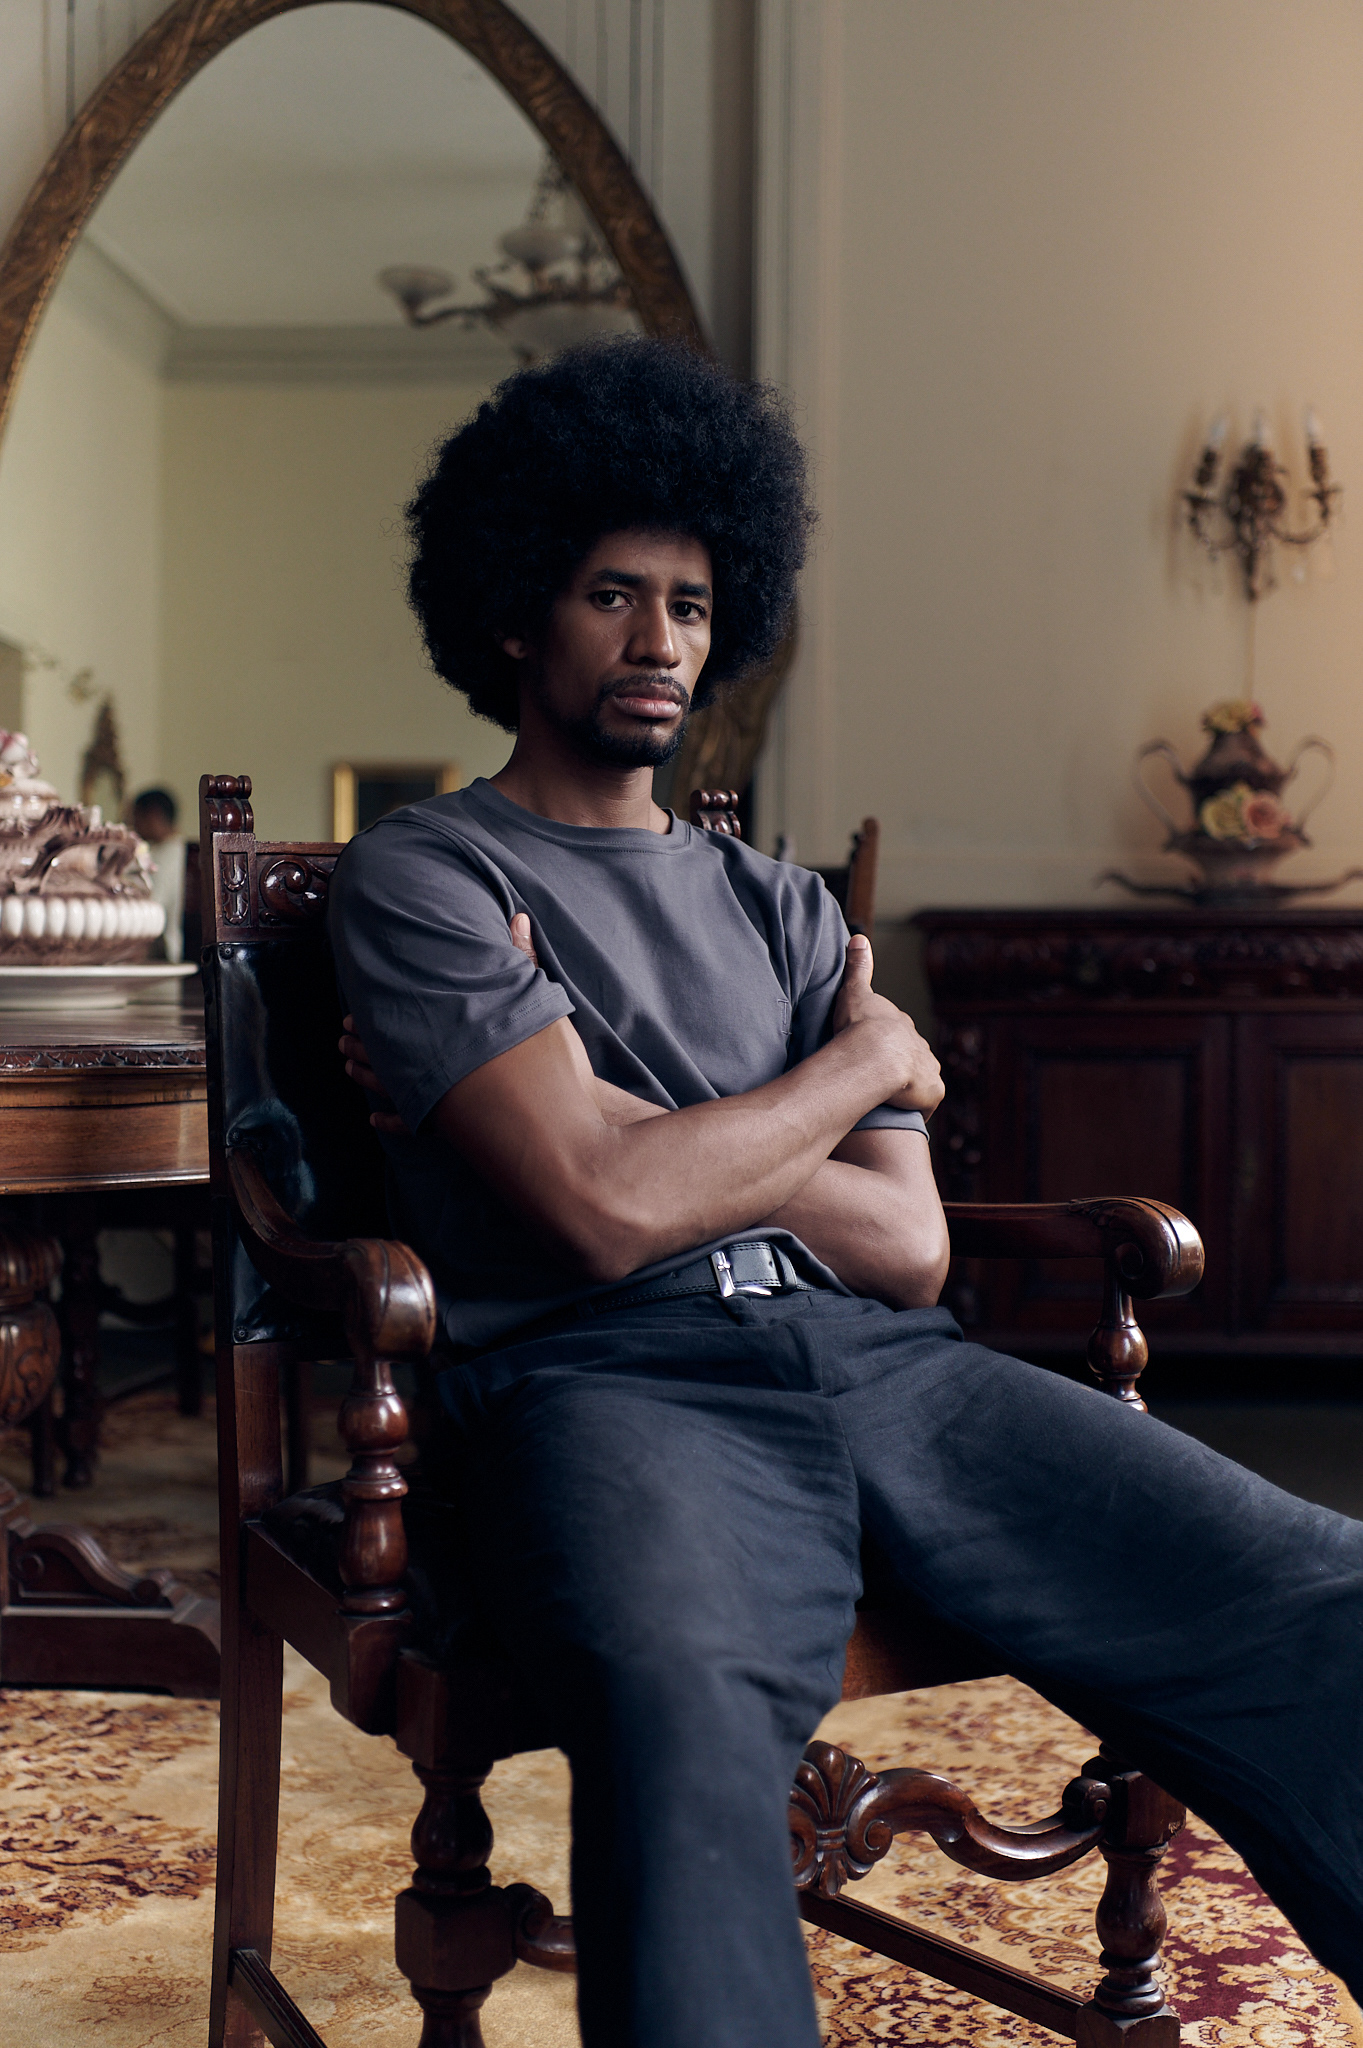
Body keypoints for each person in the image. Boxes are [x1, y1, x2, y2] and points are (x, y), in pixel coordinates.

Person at [329, 338, 1363, 2048]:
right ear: (515, 614)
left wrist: (642, 1126)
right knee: (673, 1712)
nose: (659, 641)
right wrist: (857, 1066)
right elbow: (595, 1213)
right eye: (610, 594)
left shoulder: (785, 906)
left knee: (1319, 1587)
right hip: (606, 1380)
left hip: (887, 1370)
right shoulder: (426, 877)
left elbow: (905, 1248)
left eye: (688, 602)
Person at [131, 785, 185, 962]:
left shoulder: (168, 855)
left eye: (136, 817)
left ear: (153, 815)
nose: (133, 825)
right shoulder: (180, 850)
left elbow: (151, 905)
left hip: (166, 952)